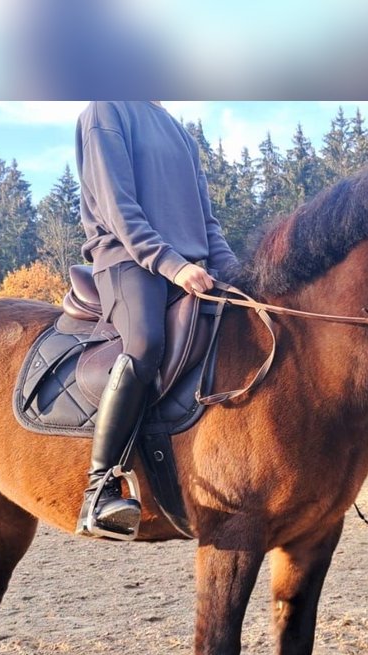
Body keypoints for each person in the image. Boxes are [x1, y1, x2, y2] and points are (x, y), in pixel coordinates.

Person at [74, 101, 238, 539]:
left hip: (190, 264)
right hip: (128, 259)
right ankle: (101, 488)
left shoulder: (180, 133)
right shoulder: (105, 111)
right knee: (145, 345)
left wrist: (238, 275)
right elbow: (117, 207)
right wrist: (170, 263)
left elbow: (207, 222)